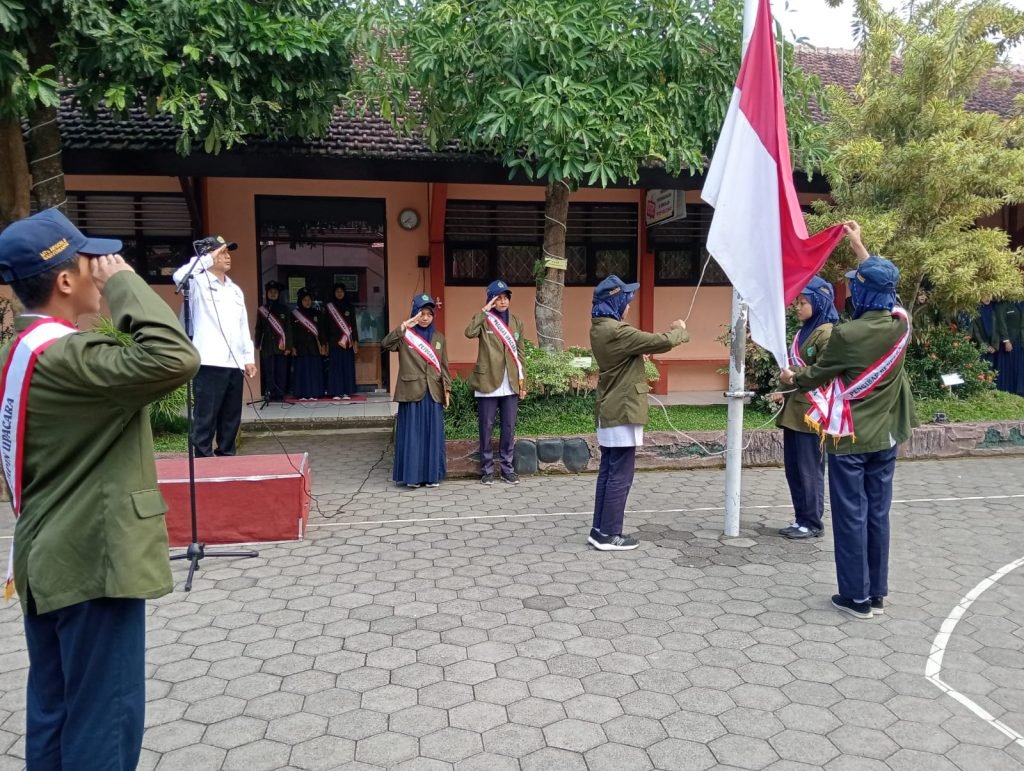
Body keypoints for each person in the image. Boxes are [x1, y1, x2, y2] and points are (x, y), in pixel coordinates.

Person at [0, 209, 200, 770]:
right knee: (103, 724)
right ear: (65, 279)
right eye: (93, 260)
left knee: (56, 715)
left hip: (50, 557)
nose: (102, 267)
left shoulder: (20, 353)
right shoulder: (69, 357)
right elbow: (175, 356)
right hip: (93, 563)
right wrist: (126, 284)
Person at [781, 222, 917, 619]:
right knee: (878, 512)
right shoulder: (900, 323)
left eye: (856, 283)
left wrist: (792, 377)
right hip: (887, 435)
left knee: (850, 514)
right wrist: (859, 245)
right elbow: (883, 284)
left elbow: (815, 375)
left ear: (860, 292)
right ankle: (876, 591)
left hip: (851, 436)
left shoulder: (847, 334)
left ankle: (854, 597)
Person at [589, 275, 688, 551]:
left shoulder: (600, 327)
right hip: (622, 410)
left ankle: (599, 530)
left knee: (609, 472)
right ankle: (610, 534)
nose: (629, 306)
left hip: (611, 408)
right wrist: (680, 329)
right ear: (615, 302)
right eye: (626, 300)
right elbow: (660, 341)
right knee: (621, 475)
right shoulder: (617, 331)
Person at [172, 236, 256, 456]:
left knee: (231, 417)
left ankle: (227, 457)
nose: (227, 257)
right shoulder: (197, 282)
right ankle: (203, 461)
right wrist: (206, 258)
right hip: (210, 361)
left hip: (234, 361)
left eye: (228, 253)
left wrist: (248, 357)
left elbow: (242, 325)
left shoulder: (235, 289)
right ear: (208, 256)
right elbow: (179, 276)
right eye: (222, 253)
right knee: (206, 417)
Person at [773, 276, 838, 540]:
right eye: (797, 302)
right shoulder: (804, 332)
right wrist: (784, 390)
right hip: (795, 411)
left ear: (819, 302)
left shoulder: (827, 332)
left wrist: (794, 374)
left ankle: (812, 522)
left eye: (803, 302)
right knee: (794, 469)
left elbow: (826, 371)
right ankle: (801, 518)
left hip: (813, 414)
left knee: (809, 470)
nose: (798, 307)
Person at [384, 294, 451, 488]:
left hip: (433, 392)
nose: (425, 318)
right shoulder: (405, 335)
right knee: (413, 436)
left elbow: (444, 367)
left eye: (429, 314)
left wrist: (447, 390)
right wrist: (405, 324)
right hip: (411, 391)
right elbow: (386, 344)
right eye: (421, 313)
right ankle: (412, 477)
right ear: (415, 313)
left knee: (432, 436)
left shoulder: (439, 338)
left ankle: (431, 477)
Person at [465, 279, 527, 485]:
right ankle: (487, 469)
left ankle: (507, 468)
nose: (502, 302)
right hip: (487, 380)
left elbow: (521, 353)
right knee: (486, 426)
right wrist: (483, 311)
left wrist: (522, 381)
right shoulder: (485, 319)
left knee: (508, 426)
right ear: (491, 300)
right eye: (498, 298)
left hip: (510, 381)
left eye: (505, 298)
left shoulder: (517, 322)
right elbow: (469, 332)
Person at [255, 280, 291, 401]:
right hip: (267, 345)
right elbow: (258, 328)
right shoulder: (262, 310)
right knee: (269, 370)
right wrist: (257, 343)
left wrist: (289, 347)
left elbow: (288, 329)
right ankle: (270, 392)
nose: (273, 294)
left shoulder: (284, 309)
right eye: (271, 292)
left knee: (281, 371)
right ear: (267, 294)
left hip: (281, 345)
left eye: (275, 292)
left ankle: (280, 393)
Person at [325, 282, 360, 400]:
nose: (339, 294)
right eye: (337, 291)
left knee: (347, 367)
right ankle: (336, 392)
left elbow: (353, 325)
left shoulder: (350, 307)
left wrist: (355, 340)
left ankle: (346, 392)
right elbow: (326, 326)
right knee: (335, 368)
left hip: (347, 343)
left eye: (341, 291)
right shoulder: (329, 307)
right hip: (334, 342)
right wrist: (325, 342)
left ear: (344, 293)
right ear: (334, 293)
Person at [290, 287, 326, 399]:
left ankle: (315, 393)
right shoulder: (294, 314)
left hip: (314, 347)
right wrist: (292, 347)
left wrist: (324, 344)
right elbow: (291, 332)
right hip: (300, 348)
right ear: (300, 301)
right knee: (302, 372)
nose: (307, 302)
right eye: (305, 300)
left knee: (314, 371)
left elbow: (322, 331)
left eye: (309, 299)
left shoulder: (317, 314)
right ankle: (302, 394)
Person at [968, 295, 1000, 369]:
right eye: (985, 296)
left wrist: (995, 346)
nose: (987, 298)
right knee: (979, 370)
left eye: (989, 296)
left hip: (993, 346)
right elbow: (976, 331)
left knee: (992, 372)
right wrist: (984, 345)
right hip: (980, 345)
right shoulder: (975, 310)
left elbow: (998, 328)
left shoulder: (994, 308)